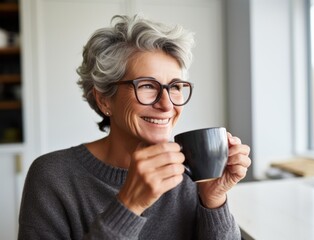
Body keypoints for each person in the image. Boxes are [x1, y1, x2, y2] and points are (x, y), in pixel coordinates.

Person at [18, 14, 251, 240]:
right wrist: (129, 205)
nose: (167, 104)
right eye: (148, 85)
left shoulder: (192, 170)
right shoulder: (52, 177)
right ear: (104, 99)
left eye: (176, 86)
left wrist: (214, 199)